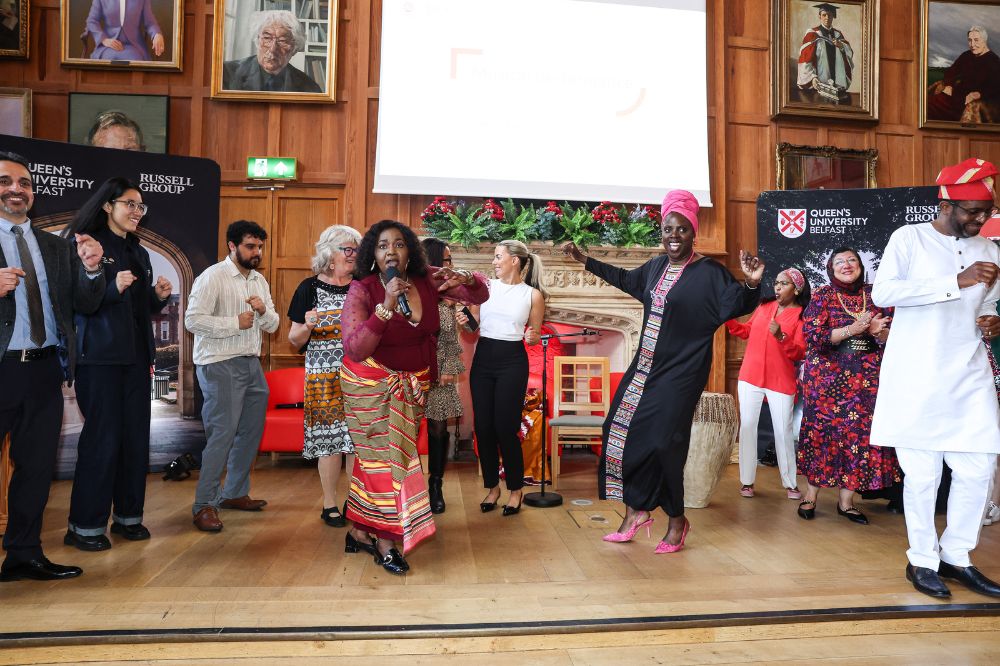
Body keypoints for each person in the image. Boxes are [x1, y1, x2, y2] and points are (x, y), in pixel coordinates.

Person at [564, 190, 764, 553]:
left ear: (693, 233)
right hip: (645, 369)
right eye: (668, 229)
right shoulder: (655, 268)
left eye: (682, 230)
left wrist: (751, 283)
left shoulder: (709, 273)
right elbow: (626, 280)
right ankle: (635, 512)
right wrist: (586, 261)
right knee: (618, 430)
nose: (673, 236)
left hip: (682, 374)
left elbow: (736, 303)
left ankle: (676, 520)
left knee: (664, 444)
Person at [870, 157, 1000, 599]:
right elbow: (884, 292)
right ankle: (922, 560)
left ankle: (958, 556)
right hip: (917, 373)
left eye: (986, 212)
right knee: (923, 474)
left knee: (978, 466)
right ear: (944, 203)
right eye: (973, 212)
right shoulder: (909, 239)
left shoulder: (990, 250)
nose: (982, 220)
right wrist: (954, 281)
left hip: (968, 372)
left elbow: (990, 303)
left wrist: (992, 316)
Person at [341, 220, 487, 575]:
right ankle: (386, 541)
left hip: (414, 385)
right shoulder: (363, 289)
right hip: (370, 386)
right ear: (372, 255)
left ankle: (360, 529)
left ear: (410, 251)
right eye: (382, 245)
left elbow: (479, 295)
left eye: (399, 243)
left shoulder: (427, 279)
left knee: (387, 459)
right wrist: (387, 304)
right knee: (391, 461)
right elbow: (356, 347)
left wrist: (466, 278)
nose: (391, 250)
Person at [0, 151, 105, 581]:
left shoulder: (53, 246)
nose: (15, 189)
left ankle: (24, 553)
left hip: (43, 371)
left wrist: (93, 270)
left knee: (37, 468)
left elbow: (81, 305)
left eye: (23, 183)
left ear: (33, 192)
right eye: (5, 181)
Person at [61, 178, 171, 551]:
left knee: (134, 440)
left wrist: (155, 300)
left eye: (141, 207)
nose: (137, 212)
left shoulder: (137, 251)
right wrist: (112, 288)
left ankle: (128, 518)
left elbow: (138, 311)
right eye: (130, 204)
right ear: (108, 206)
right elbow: (79, 302)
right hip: (100, 359)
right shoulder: (86, 242)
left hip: (137, 359)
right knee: (102, 440)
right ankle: (85, 527)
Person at [184, 220, 279, 533]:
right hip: (219, 364)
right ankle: (204, 505)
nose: (257, 252)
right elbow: (192, 320)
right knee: (222, 435)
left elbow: (274, 326)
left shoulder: (259, 281)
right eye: (251, 246)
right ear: (232, 246)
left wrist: (264, 311)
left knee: (250, 432)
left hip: (251, 365)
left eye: (260, 247)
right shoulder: (213, 277)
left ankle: (235, 492)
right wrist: (233, 323)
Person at [796, 247, 898, 525]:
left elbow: (898, 336)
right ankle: (810, 495)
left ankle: (846, 501)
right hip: (828, 382)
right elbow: (814, 337)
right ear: (830, 269)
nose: (846, 265)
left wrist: (880, 332)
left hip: (866, 382)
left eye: (851, 260)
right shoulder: (822, 295)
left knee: (858, 438)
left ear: (860, 265)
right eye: (839, 261)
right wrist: (853, 329)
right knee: (822, 435)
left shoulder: (877, 294)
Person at [287, 225, 361, 528]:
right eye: (348, 249)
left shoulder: (363, 286)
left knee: (357, 441)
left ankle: (356, 502)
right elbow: (294, 340)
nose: (354, 255)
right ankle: (330, 503)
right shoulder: (308, 288)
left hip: (359, 374)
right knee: (329, 441)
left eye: (356, 249)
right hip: (322, 376)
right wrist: (308, 325)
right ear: (330, 253)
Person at [469, 240, 546, 517]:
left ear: (515, 260)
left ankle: (515, 489)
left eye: (498, 256)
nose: (494, 262)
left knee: (505, 427)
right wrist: (463, 318)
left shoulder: (533, 295)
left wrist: (532, 336)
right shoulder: (485, 288)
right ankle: (492, 487)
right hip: (484, 358)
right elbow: (473, 325)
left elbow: (534, 333)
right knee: (484, 426)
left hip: (513, 360)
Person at [726, 267, 811, 500]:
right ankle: (746, 482)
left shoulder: (802, 316)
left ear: (797, 289)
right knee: (747, 427)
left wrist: (781, 336)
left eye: (784, 284)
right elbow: (745, 332)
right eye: (776, 282)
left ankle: (791, 483)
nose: (778, 287)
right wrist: (729, 320)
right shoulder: (764, 307)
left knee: (783, 431)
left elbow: (800, 353)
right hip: (750, 377)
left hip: (780, 380)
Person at [420, 238, 466, 514]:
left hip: (441, 371)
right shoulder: (412, 290)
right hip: (412, 369)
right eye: (447, 260)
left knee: (438, 429)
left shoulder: (451, 295)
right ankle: (406, 487)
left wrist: (448, 367)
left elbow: (451, 336)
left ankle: (435, 484)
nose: (451, 265)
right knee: (407, 429)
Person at [222, 10, 322, 93]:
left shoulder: (309, 88)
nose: (273, 49)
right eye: (267, 38)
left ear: (294, 48)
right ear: (258, 40)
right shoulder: (226, 73)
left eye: (282, 41)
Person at [927, 26, 1000, 123]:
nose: (972, 44)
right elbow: (951, 71)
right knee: (928, 105)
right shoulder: (966, 55)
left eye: (976, 40)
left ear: (984, 41)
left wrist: (979, 94)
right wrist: (949, 85)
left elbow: (996, 86)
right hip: (956, 96)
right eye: (970, 40)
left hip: (974, 101)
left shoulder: (994, 60)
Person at [796, 3, 854, 98]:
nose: (827, 18)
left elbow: (849, 54)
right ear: (819, 16)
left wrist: (841, 46)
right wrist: (812, 77)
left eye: (830, 15)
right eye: (824, 15)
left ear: (833, 16)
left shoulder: (838, 34)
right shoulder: (813, 34)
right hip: (819, 84)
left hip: (837, 85)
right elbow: (806, 59)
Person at [86, 0, 165, 61]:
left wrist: (157, 34)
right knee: (106, 61)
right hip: (108, 47)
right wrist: (104, 39)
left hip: (134, 46)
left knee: (134, 60)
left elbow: (150, 23)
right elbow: (92, 21)